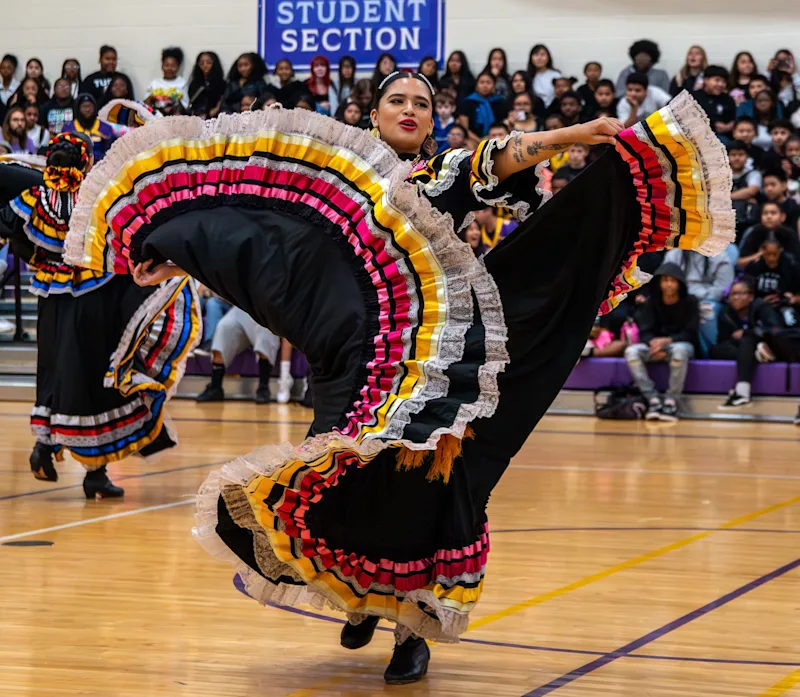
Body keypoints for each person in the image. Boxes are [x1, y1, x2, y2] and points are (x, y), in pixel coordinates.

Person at [65, 73, 733, 685]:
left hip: (434, 364)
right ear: (373, 114)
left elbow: (498, 158)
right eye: (398, 101)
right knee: (343, 482)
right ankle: (361, 597)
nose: (411, 110)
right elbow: (258, 244)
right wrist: (175, 253)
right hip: (346, 364)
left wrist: (573, 136)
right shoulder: (321, 189)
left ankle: (415, 632)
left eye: (422, 103)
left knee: (442, 490)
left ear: (431, 120)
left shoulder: (433, 177)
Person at [0, 132, 199, 495]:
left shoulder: (34, 199)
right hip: (93, 299)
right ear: (87, 162)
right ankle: (94, 474)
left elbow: (11, 229)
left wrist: (28, 252)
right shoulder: (98, 200)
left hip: (50, 298)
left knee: (53, 371)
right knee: (96, 377)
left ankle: (45, 445)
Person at [625, 262, 700, 421]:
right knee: (631, 352)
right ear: (659, 283)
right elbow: (644, 330)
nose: (668, 284)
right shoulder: (651, 302)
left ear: (679, 283)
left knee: (679, 351)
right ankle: (652, 399)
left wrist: (667, 341)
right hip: (654, 347)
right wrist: (653, 343)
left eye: (672, 281)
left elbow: (691, 332)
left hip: (681, 345)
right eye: (665, 280)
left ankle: (671, 400)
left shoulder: (691, 302)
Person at [712, 277, 785, 409]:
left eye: (740, 294)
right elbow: (722, 341)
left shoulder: (761, 307)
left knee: (747, 341)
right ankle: (756, 356)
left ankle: (742, 392)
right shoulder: (726, 313)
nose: (735, 298)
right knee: (716, 350)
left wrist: (747, 333)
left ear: (750, 296)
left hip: (767, 344)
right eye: (732, 294)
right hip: (743, 348)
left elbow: (776, 330)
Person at [196, 306, 280, 404]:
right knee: (224, 327)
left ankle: (263, 388)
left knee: (266, 334)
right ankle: (215, 387)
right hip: (242, 308)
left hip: (266, 310)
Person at [663, 248, 734, 352]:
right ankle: (667, 347)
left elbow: (723, 289)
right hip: (679, 297)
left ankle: (710, 352)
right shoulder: (673, 254)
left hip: (708, 299)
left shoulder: (720, 256)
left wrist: (694, 298)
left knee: (707, 309)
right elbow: (665, 278)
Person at [743, 236, 800, 328]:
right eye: (768, 254)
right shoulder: (753, 267)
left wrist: (793, 298)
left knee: (791, 323)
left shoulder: (791, 266)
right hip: (758, 305)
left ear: (780, 251)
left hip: (784, 305)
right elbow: (745, 290)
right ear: (762, 252)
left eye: (775, 254)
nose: (771, 258)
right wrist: (760, 301)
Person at [61, 93, 126, 161]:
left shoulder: (105, 128)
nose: (87, 110)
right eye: (84, 107)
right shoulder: (68, 128)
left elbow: (112, 151)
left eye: (90, 106)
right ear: (78, 109)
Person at [738, 201, 800, 265]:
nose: (769, 216)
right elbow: (740, 262)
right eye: (765, 213)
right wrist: (761, 255)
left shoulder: (789, 234)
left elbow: (796, 261)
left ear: (782, 217)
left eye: (773, 213)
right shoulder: (753, 232)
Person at [729, 140, 762, 239]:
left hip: (747, 220)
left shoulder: (754, 174)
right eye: (733, 155)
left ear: (747, 157)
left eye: (741, 154)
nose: (737, 158)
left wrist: (727, 196)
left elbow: (752, 190)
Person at [692, 66, 736, 140]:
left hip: (726, 136)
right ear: (706, 80)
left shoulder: (728, 99)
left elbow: (733, 117)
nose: (720, 84)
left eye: (724, 82)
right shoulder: (693, 97)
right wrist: (713, 125)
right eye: (717, 80)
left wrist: (731, 125)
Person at [459, 72, 507, 140]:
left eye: (488, 83)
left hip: (496, 138)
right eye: (482, 82)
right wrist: (480, 141)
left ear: (494, 85)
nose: (485, 85)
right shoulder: (467, 102)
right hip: (473, 140)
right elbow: (464, 128)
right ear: (476, 85)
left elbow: (504, 125)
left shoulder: (500, 102)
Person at [145, 47, 189, 113]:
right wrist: (154, 97)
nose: (169, 68)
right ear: (162, 66)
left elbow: (186, 105)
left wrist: (174, 99)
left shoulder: (182, 83)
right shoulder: (155, 83)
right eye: (167, 65)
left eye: (173, 65)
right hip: (156, 117)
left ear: (178, 67)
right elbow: (145, 104)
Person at [187, 51, 226, 118]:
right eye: (201, 63)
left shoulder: (221, 82)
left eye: (209, 63)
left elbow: (223, 99)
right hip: (197, 117)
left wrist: (216, 109)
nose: (205, 65)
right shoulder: (194, 83)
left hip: (215, 117)